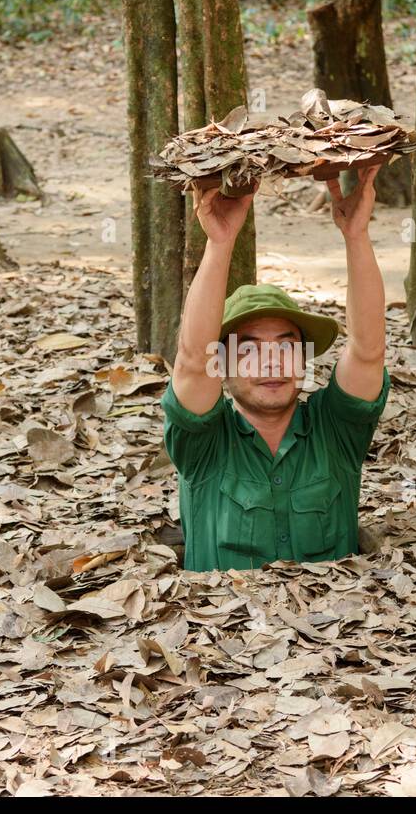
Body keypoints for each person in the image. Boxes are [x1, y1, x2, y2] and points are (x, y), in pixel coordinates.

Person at [161, 165, 390, 571]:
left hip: (331, 628)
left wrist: (356, 235)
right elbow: (194, 359)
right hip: (221, 631)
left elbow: (368, 350)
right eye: (248, 350)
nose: (271, 361)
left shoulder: (335, 431)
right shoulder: (206, 445)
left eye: (286, 347)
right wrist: (220, 242)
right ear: (223, 367)